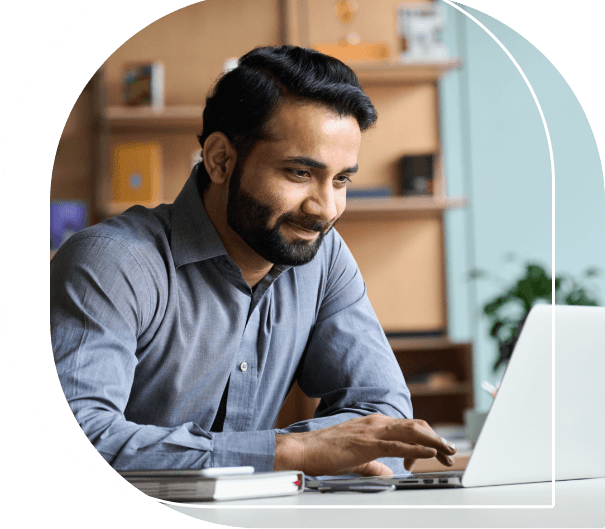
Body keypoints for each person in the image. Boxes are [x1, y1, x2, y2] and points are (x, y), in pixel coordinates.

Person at [50, 45, 456, 477]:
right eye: (300, 173)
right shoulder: (112, 262)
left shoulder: (324, 256)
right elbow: (74, 441)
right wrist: (292, 453)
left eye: (340, 180)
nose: (326, 208)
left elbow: (384, 414)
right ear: (221, 159)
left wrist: (313, 454)